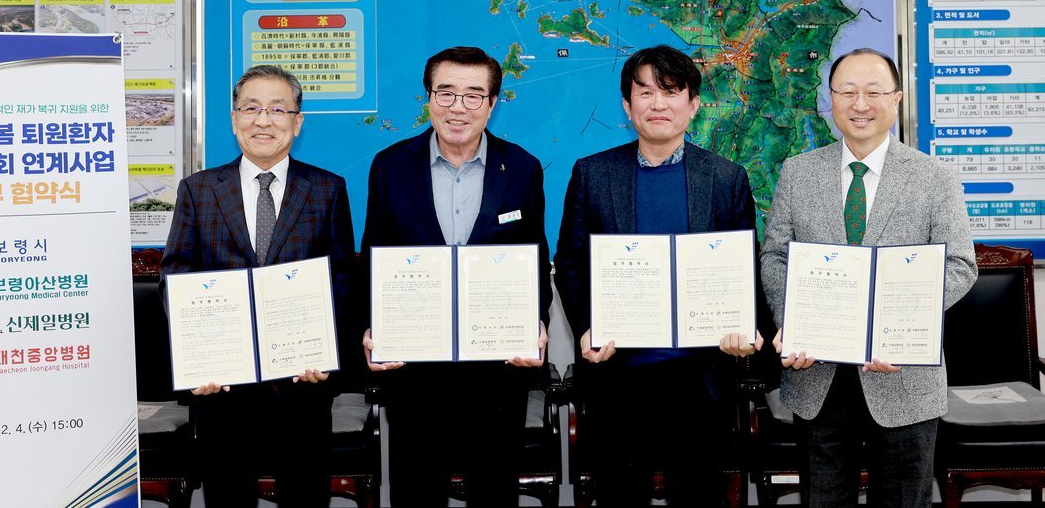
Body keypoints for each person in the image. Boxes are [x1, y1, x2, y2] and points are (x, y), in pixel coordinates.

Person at [761, 48, 977, 507]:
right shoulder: (798, 173)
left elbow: (960, 265)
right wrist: (791, 322)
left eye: (874, 92)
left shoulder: (935, 177)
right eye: (848, 92)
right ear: (831, 98)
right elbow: (776, 256)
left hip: (903, 376)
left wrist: (895, 325)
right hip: (817, 375)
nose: (860, 104)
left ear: (896, 99)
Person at [553, 44, 765, 506]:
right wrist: (586, 328)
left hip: (700, 379)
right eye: (645, 92)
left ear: (693, 104)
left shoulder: (726, 178)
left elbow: (744, 267)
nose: (658, 104)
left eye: (671, 92)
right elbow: (570, 261)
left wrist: (743, 327)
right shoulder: (593, 174)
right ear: (627, 105)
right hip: (617, 376)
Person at [359, 46, 551, 507]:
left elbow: (535, 257)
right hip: (414, 366)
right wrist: (370, 328)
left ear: (492, 103)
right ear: (429, 98)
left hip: (496, 368)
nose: (457, 108)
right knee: (415, 490)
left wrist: (537, 324)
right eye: (445, 93)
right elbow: (372, 255)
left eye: (473, 95)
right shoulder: (390, 166)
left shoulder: (522, 168)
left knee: (494, 490)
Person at [159, 64, 355, 507]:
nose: (263, 120)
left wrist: (327, 356)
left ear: (297, 122)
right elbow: (176, 279)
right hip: (222, 386)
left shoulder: (326, 189)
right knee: (227, 497)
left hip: (302, 383)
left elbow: (342, 280)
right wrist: (197, 359)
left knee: (306, 497)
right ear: (234, 120)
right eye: (251, 108)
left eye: (277, 109)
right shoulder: (198, 190)